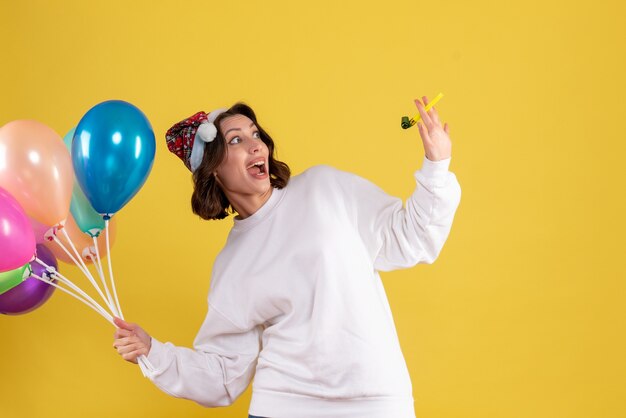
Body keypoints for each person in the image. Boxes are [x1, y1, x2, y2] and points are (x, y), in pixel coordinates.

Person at [112, 97, 461, 418]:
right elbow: (223, 374)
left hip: (377, 402)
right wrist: (152, 352)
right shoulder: (232, 264)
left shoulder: (325, 188)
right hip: (284, 405)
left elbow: (411, 238)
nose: (255, 145)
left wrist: (436, 165)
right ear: (213, 168)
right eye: (235, 140)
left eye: (255, 134)